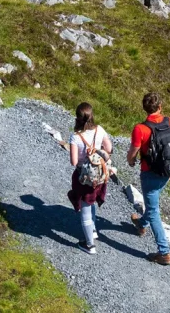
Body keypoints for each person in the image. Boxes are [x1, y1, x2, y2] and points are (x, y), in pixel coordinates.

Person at [127, 92, 170, 265]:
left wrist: (130, 161)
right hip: (168, 172)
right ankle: (141, 224)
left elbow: (133, 152)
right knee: (153, 203)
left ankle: (164, 252)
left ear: (145, 108)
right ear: (160, 107)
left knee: (153, 211)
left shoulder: (140, 128)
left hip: (150, 174)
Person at [67, 102, 112, 254]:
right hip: (99, 174)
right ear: (91, 116)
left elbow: (73, 162)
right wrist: (97, 150)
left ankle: (89, 245)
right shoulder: (99, 130)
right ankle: (93, 230)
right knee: (91, 202)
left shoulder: (75, 137)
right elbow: (110, 148)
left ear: (77, 118)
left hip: (84, 176)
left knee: (85, 207)